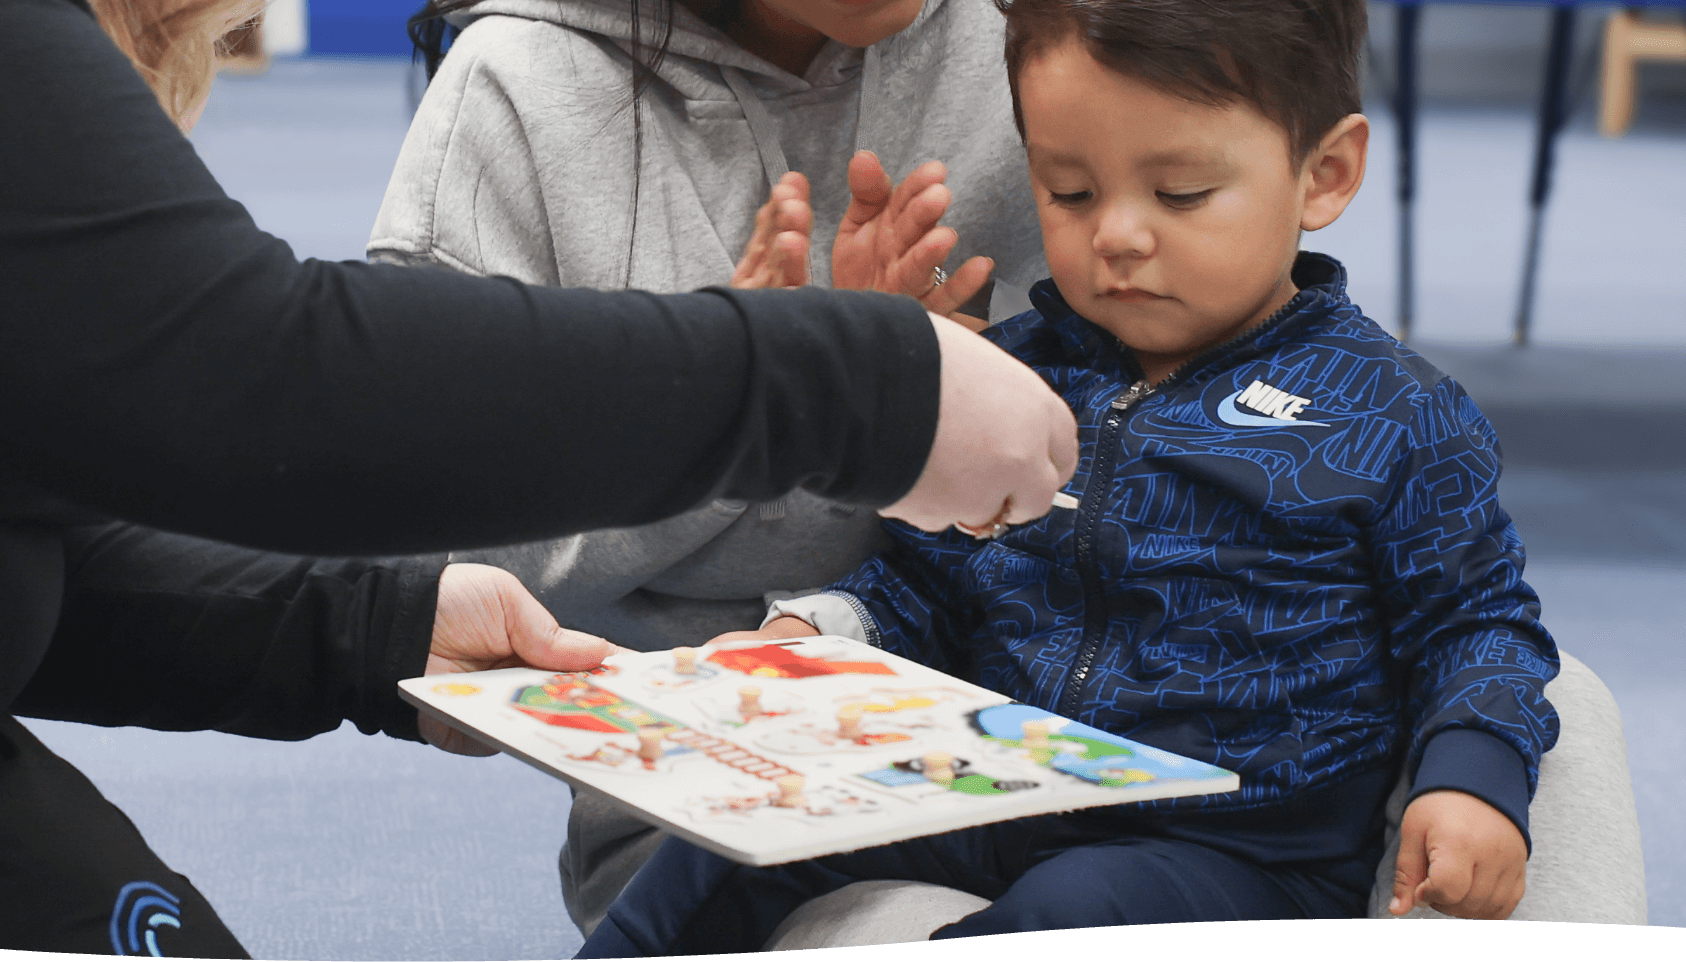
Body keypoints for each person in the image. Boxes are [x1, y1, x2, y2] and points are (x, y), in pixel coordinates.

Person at [1, 0, 1076, 954]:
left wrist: (371, 629)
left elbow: (48, 514)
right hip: (746, 812)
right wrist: (842, 388)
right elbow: (258, 381)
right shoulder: (521, 89)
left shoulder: (1048, 51)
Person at [577, 0, 1562, 950]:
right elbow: (929, 574)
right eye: (1071, 191)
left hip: (1230, 847)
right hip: (998, 781)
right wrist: (822, 630)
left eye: (1179, 193)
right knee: (747, 829)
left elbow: (1477, 621)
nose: (1118, 235)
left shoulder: (1393, 412)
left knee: (1076, 900)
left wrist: (1473, 777)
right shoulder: (1009, 374)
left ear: (1324, 172)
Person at [375, 0, 1048, 932]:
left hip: (1064, 746)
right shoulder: (519, 88)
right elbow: (444, 570)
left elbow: (1193, 426)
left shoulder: (1034, 48)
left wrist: (975, 391)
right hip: (723, 813)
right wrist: (735, 412)